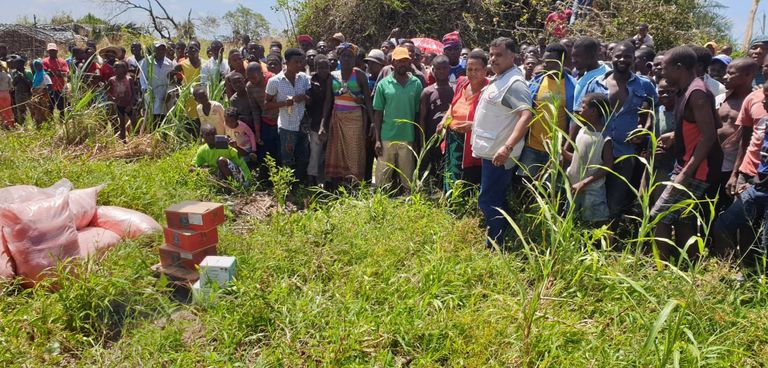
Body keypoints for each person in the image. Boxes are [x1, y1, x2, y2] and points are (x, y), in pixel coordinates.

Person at [651, 46, 722, 260]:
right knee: (683, 218)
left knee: (658, 216)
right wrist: (676, 134)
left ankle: (659, 270)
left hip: (697, 168)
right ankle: (693, 264)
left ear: (679, 67)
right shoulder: (685, 90)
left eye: (664, 68)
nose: (661, 73)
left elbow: (710, 135)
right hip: (688, 164)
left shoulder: (697, 93)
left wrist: (685, 173)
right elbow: (709, 124)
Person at [583, 40, 658, 220]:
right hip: (597, 151)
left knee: (616, 200)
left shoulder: (644, 85)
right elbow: (580, 114)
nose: (622, 59)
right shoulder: (596, 83)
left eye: (627, 56)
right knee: (591, 196)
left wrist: (645, 129)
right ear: (611, 56)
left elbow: (654, 111)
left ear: (633, 59)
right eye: (618, 56)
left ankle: (609, 238)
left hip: (626, 153)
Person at [472, 37, 533, 247]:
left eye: (498, 55)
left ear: (512, 56)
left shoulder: (514, 84)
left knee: (488, 199)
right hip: (492, 151)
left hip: (500, 154)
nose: (493, 59)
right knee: (495, 197)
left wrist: (507, 147)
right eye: (491, 54)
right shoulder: (501, 78)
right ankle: (502, 235)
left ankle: (495, 243)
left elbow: (526, 115)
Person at [712, 83, 768, 261]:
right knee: (729, 224)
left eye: (767, 98)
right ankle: (744, 268)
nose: (763, 102)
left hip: (761, 187)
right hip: (757, 183)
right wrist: (748, 181)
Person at [520, 43, 575, 179]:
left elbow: (574, 121)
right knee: (526, 185)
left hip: (555, 150)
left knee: (550, 189)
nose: (545, 65)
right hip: (532, 146)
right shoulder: (536, 81)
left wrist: (565, 150)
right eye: (544, 61)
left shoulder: (573, 86)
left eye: (550, 62)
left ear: (563, 62)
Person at [710, 58, 758, 214]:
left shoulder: (754, 104)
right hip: (711, 165)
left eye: (731, 74)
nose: (725, 77)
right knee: (705, 210)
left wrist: (735, 174)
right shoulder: (720, 100)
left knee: (725, 213)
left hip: (731, 169)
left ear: (747, 75)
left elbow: (747, 142)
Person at [321, 43, 374, 184]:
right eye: (343, 56)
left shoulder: (360, 75)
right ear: (339, 57)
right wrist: (323, 124)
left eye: (350, 56)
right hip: (337, 117)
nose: (346, 59)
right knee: (337, 151)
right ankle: (339, 182)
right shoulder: (332, 76)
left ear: (355, 58)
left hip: (355, 118)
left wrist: (372, 122)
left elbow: (368, 101)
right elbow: (328, 101)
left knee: (354, 150)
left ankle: (355, 182)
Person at [372, 47, 423, 191]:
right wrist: (377, 139)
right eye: (399, 61)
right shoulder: (383, 84)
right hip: (387, 136)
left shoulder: (416, 83)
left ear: (409, 62)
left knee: (408, 180)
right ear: (392, 63)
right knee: (382, 179)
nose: (402, 64)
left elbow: (418, 113)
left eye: (405, 60)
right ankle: (380, 203)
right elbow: (378, 113)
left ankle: (409, 204)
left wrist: (417, 138)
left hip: (408, 137)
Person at [442, 49, 489, 192]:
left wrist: (474, 126)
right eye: (469, 69)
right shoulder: (462, 83)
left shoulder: (490, 90)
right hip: (455, 139)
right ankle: (451, 203)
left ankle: (467, 208)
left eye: (477, 69)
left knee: (470, 178)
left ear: (485, 70)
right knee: (452, 172)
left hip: (474, 142)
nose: (472, 73)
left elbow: (496, 120)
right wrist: (444, 120)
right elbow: (453, 105)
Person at [565, 93, 613, 224]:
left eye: (583, 106)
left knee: (595, 226)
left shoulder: (603, 138)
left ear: (593, 111)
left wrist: (584, 183)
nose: (579, 109)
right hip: (574, 189)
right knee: (574, 225)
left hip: (592, 192)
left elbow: (608, 166)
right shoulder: (582, 131)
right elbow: (577, 159)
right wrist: (561, 152)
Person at [265, 48, 311, 182]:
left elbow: (311, 98)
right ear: (286, 62)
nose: (299, 65)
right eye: (296, 62)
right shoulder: (275, 81)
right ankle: (288, 188)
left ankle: (301, 185)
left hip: (302, 125)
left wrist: (304, 97)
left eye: (301, 62)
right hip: (287, 127)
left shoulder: (304, 78)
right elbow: (267, 104)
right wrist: (284, 103)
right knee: (287, 159)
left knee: (303, 157)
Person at [726, 53, 768, 198]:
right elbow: (744, 141)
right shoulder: (753, 98)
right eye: (767, 66)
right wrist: (735, 174)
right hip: (747, 173)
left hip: (765, 179)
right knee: (737, 218)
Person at [419, 55, 454, 181]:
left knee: (447, 164)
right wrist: (423, 139)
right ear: (433, 70)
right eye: (438, 69)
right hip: (432, 136)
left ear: (449, 69)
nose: (442, 72)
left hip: (450, 136)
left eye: (444, 68)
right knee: (433, 164)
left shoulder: (455, 90)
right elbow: (422, 117)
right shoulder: (427, 92)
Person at [246, 61, 280, 174]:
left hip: (281, 122)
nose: (251, 80)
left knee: (281, 152)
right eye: (249, 78)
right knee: (266, 153)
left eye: (253, 77)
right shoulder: (250, 87)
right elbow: (255, 110)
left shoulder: (274, 80)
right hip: (266, 121)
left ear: (261, 73)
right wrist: (257, 132)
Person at [306, 54, 331, 185]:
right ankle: (312, 178)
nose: (323, 70)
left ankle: (327, 179)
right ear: (315, 68)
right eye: (320, 67)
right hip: (315, 123)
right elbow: (308, 103)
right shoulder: (311, 82)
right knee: (315, 152)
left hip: (331, 122)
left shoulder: (333, 81)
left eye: (326, 67)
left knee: (329, 153)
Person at [139, 41, 175, 124]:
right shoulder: (146, 62)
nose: (160, 51)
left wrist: (169, 92)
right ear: (154, 50)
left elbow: (172, 79)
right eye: (157, 49)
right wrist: (147, 91)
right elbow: (143, 79)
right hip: (152, 95)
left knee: (164, 119)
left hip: (165, 96)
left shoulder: (169, 63)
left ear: (166, 50)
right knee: (152, 119)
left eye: (162, 49)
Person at [174, 40, 202, 135]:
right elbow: (171, 77)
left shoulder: (205, 64)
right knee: (190, 126)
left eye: (194, 47)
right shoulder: (182, 65)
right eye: (189, 47)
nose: (192, 50)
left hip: (202, 99)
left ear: (199, 50)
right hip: (188, 100)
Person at [106, 61, 134, 142]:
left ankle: (136, 138)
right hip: (119, 104)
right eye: (114, 67)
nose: (115, 69)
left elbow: (133, 93)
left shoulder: (129, 79)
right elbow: (106, 91)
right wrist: (111, 98)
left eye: (118, 67)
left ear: (123, 69)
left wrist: (131, 104)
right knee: (121, 123)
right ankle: (123, 140)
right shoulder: (112, 80)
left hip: (129, 103)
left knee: (134, 121)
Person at [41, 43, 68, 120]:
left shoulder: (62, 61)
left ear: (57, 51)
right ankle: (51, 122)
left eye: (53, 50)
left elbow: (65, 73)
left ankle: (62, 122)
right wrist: (57, 73)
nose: (52, 52)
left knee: (62, 107)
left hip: (60, 88)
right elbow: (46, 73)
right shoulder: (44, 61)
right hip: (49, 88)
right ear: (47, 51)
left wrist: (54, 72)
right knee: (50, 107)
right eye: (50, 51)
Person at [30, 59, 52, 125]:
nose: (37, 67)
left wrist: (43, 92)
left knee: (43, 110)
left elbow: (49, 86)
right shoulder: (36, 75)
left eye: (38, 65)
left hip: (42, 96)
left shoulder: (45, 75)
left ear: (41, 65)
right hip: (35, 96)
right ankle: (38, 124)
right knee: (36, 110)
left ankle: (46, 124)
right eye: (36, 66)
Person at [10, 57, 32, 125]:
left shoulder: (27, 72)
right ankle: (22, 125)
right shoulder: (14, 73)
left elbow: (31, 85)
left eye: (16, 64)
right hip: (18, 94)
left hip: (27, 94)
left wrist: (23, 78)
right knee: (20, 110)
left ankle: (32, 124)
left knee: (31, 110)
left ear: (21, 64)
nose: (14, 65)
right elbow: (13, 85)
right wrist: (17, 78)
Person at [0, 62, 14, 128]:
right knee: (8, 108)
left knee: (2, 109)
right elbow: (11, 87)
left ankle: (5, 124)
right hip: (7, 94)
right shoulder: (7, 75)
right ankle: (11, 123)